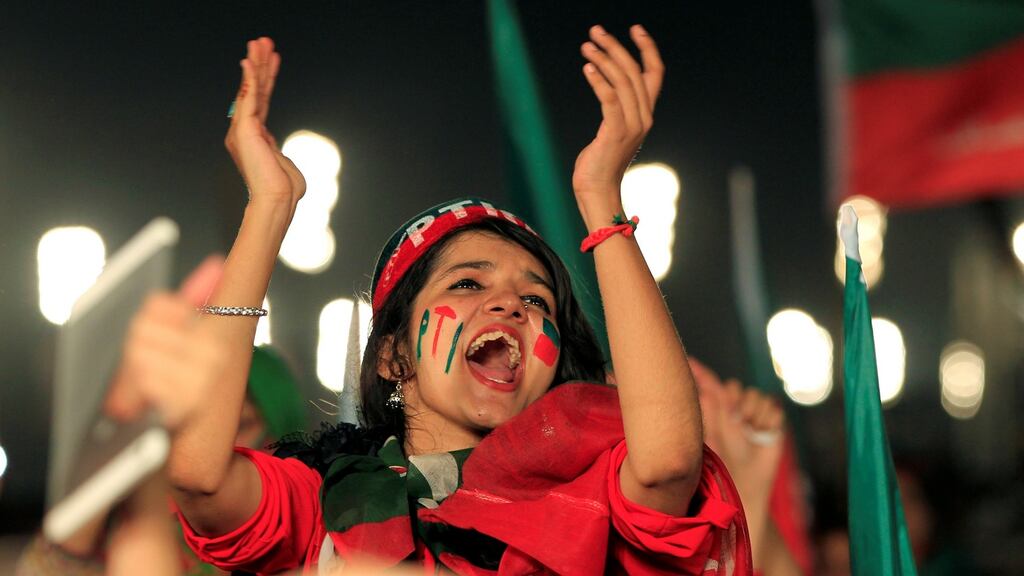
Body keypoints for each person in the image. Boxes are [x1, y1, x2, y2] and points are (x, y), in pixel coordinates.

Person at [124, 27, 753, 574]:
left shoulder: (594, 493)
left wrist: (600, 198)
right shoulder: (323, 501)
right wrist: (268, 206)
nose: (511, 305)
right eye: (468, 284)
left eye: (538, 302)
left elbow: (669, 463)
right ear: (393, 357)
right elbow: (201, 477)